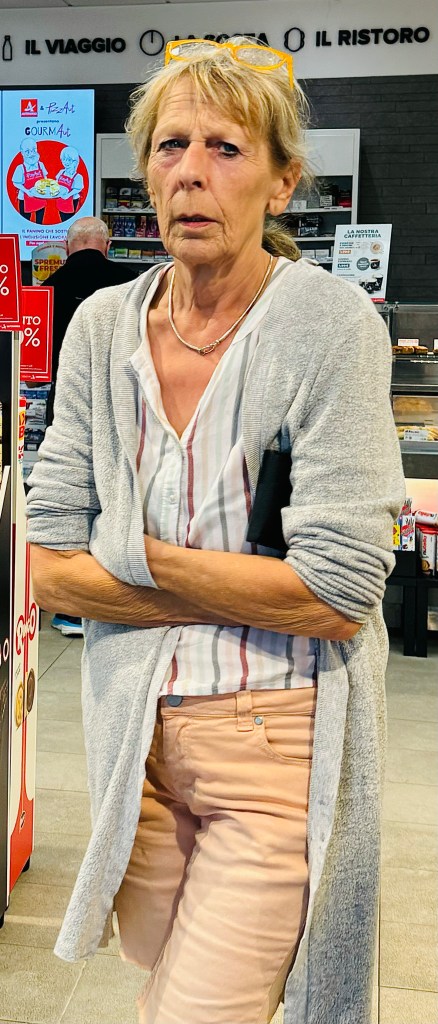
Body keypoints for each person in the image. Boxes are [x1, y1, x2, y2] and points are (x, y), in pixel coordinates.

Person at [27, 38, 405, 1024]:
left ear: (283, 182)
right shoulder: (101, 328)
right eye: (171, 145)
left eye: (226, 148)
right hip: (135, 742)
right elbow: (45, 563)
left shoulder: (330, 327)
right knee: (160, 969)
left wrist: (130, 557)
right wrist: (242, 581)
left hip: (275, 734)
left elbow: (337, 593)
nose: (191, 171)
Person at [45, 216, 135, 637]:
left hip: (67, 406)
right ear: (108, 244)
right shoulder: (132, 284)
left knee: (71, 494)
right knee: (118, 496)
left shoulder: (47, 288)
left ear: (68, 247)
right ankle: (114, 591)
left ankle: (70, 607)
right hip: (125, 406)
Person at [12, 140, 48, 223]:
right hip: (24, 199)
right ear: (22, 153)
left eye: (34, 150)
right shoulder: (20, 168)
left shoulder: (40, 165)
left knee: (40, 221)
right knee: (25, 222)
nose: (31, 154)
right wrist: (27, 191)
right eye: (27, 151)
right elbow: (16, 183)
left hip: (40, 197)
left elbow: (45, 177)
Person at [55, 146, 84, 223]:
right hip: (61, 200)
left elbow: (77, 189)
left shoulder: (78, 176)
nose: (66, 162)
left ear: (75, 161)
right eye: (64, 159)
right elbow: (56, 182)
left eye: (69, 160)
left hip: (72, 201)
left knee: (70, 221)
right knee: (62, 219)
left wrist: (68, 195)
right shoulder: (61, 172)